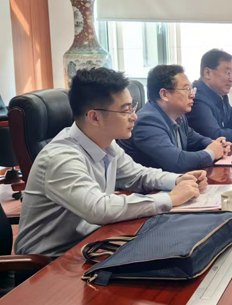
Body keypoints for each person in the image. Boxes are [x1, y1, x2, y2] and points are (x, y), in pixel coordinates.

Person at [15, 68, 206, 258]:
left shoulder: (107, 144)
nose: (134, 116)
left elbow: (138, 175)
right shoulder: (60, 158)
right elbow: (99, 209)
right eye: (126, 110)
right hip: (50, 262)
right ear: (94, 117)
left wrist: (178, 180)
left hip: (93, 243)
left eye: (132, 108)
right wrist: (170, 199)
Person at [118, 65, 231, 173]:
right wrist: (211, 153)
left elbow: (196, 140)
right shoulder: (147, 121)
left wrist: (218, 144)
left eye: (192, 89)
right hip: (146, 186)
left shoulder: (178, 116)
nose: (192, 95)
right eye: (186, 89)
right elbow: (176, 161)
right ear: (164, 94)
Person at [186, 49, 232, 143]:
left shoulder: (221, 95)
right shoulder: (196, 98)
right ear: (207, 73)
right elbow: (215, 135)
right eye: (228, 73)